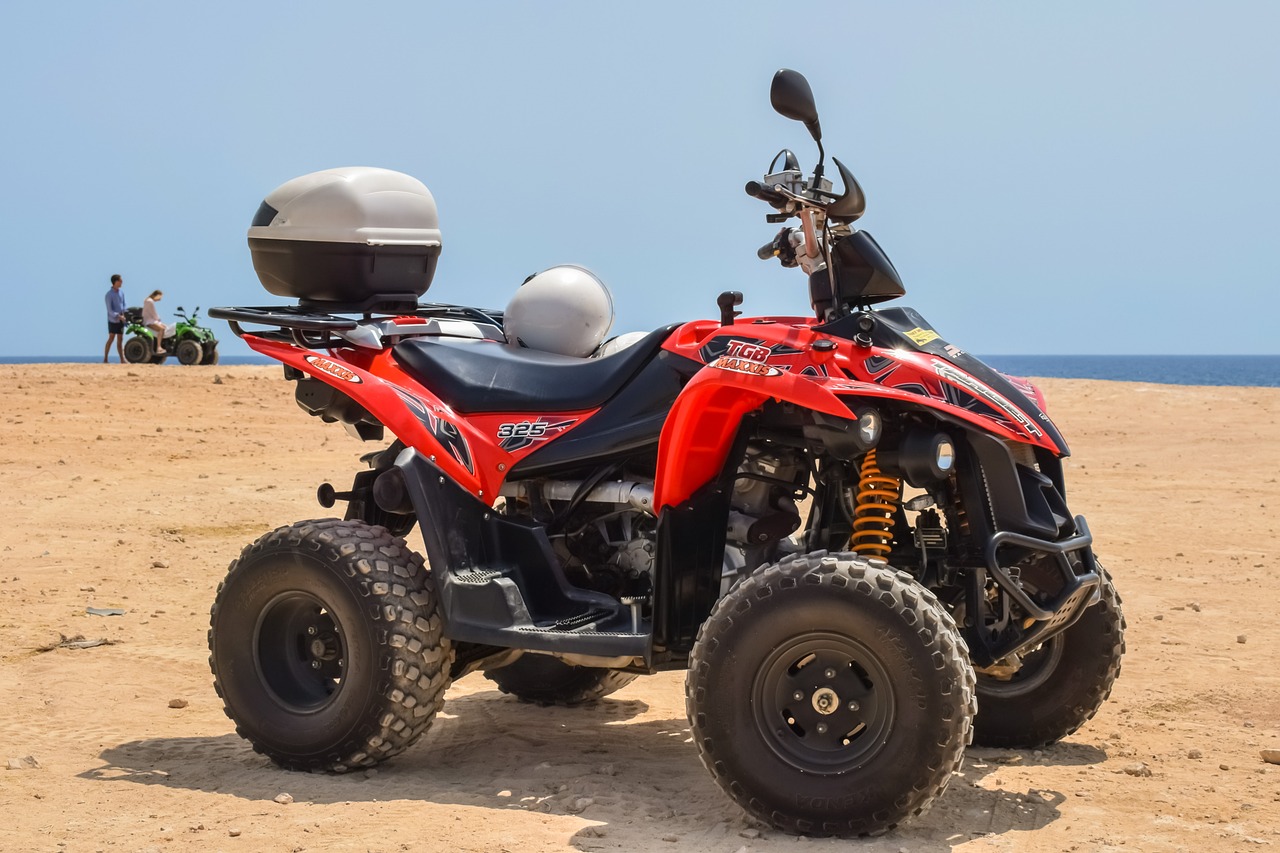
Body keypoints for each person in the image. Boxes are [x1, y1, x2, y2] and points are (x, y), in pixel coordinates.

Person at [103, 274, 127, 363]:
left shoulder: (121, 293)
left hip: (121, 319)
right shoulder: (109, 295)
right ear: (115, 282)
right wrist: (118, 315)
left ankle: (122, 359)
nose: (122, 282)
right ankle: (105, 358)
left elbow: (124, 304)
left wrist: (124, 314)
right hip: (113, 320)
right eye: (120, 281)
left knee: (120, 339)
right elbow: (109, 310)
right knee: (111, 338)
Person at [142, 289, 171, 354]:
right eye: (159, 298)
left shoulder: (148, 300)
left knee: (166, 327)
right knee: (162, 329)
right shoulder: (150, 301)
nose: (160, 300)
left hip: (151, 320)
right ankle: (159, 348)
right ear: (157, 295)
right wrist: (159, 319)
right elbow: (153, 313)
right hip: (149, 321)